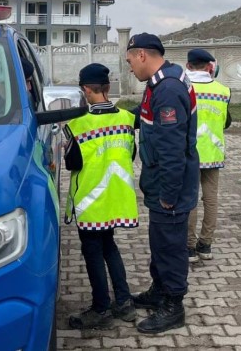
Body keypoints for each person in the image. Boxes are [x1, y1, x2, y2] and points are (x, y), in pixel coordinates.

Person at [125, 33, 199, 334]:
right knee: (160, 242)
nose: (130, 67)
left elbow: (171, 148)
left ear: (142, 55)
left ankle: (173, 305)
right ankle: (159, 290)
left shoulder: (166, 89)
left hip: (169, 186)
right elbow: (150, 120)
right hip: (161, 183)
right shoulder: (162, 80)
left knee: (170, 246)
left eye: (130, 60)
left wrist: (169, 193)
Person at [64, 63, 139, 330]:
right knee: (111, 248)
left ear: (85, 89)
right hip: (117, 198)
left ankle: (100, 307)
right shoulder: (127, 119)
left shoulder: (76, 124)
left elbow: (72, 163)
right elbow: (131, 154)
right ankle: (124, 302)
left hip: (91, 201)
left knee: (93, 253)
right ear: (107, 88)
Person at [185, 48, 231, 263]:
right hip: (213, 152)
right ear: (209, 66)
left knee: (191, 200)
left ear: (188, 65)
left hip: (190, 152)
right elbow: (225, 122)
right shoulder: (223, 90)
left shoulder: (183, 88)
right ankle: (206, 245)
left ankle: (189, 247)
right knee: (210, 200)